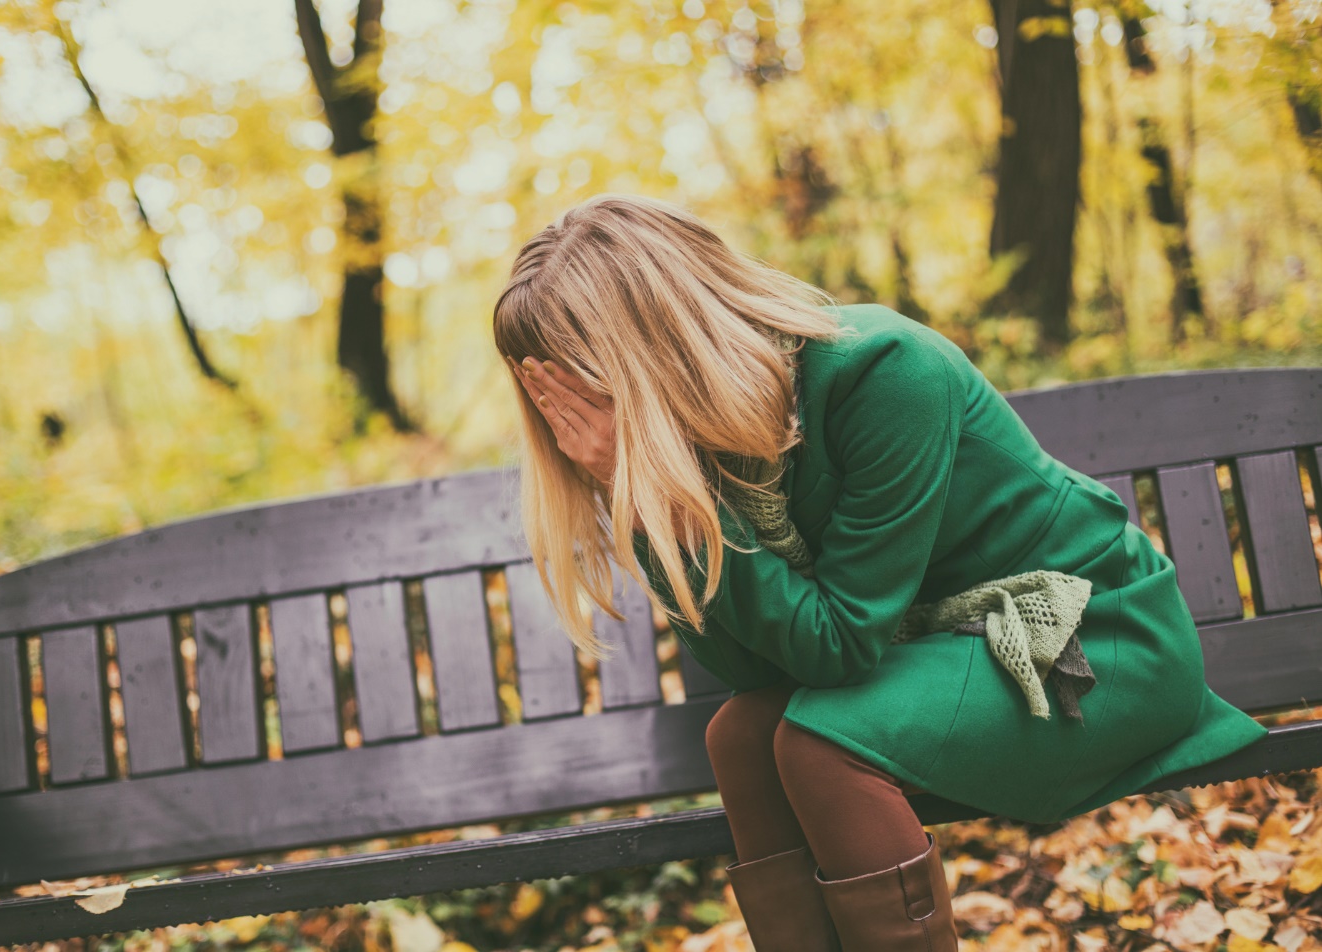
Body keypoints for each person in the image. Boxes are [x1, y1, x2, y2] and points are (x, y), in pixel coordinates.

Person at [492, 193, 1268, 951]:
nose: (575, 424)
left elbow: (835, 649)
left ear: (652, 349)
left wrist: (659, 492)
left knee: (818, 744)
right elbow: (753, 668)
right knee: (741, 736)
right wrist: (648, 500)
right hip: (940, 649)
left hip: (1085, 642)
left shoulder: (882, 371)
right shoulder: (702, 443)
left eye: (581, 387)